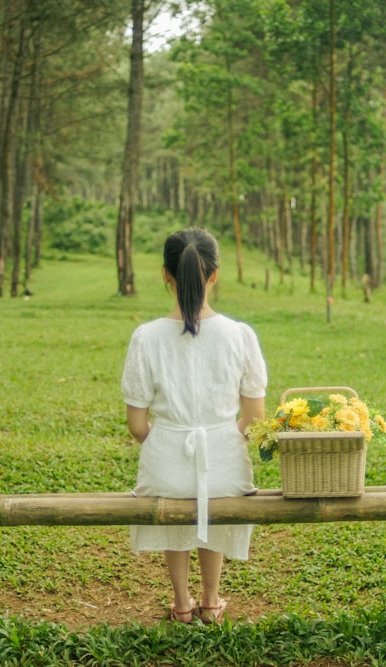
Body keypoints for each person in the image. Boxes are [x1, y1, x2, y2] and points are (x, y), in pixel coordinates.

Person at [120, 227, 267, 624]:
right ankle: (211, 600)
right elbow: (255, 420)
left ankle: (182, 604)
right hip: (226, 467)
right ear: (215, 275)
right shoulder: (240, 335)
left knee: (179, 496)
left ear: (166, 274)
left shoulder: (145, 337)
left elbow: (137, 425)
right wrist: (222, 439)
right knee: (210, 495)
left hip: (165, 465)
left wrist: (168, 441)